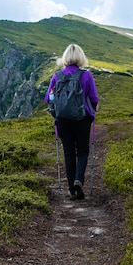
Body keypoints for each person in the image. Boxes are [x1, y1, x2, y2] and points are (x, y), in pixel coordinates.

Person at [45, 44, 98, 200]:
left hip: (62, 121)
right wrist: (93, 110)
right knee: (82, 151)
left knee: (69, 153)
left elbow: (48, 98)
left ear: (65, 57)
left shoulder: (57, 76)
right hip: (82, 119)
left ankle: (71, 190)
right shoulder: (86, 75)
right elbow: (94, 98)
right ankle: (78, 180)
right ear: (81, 57)